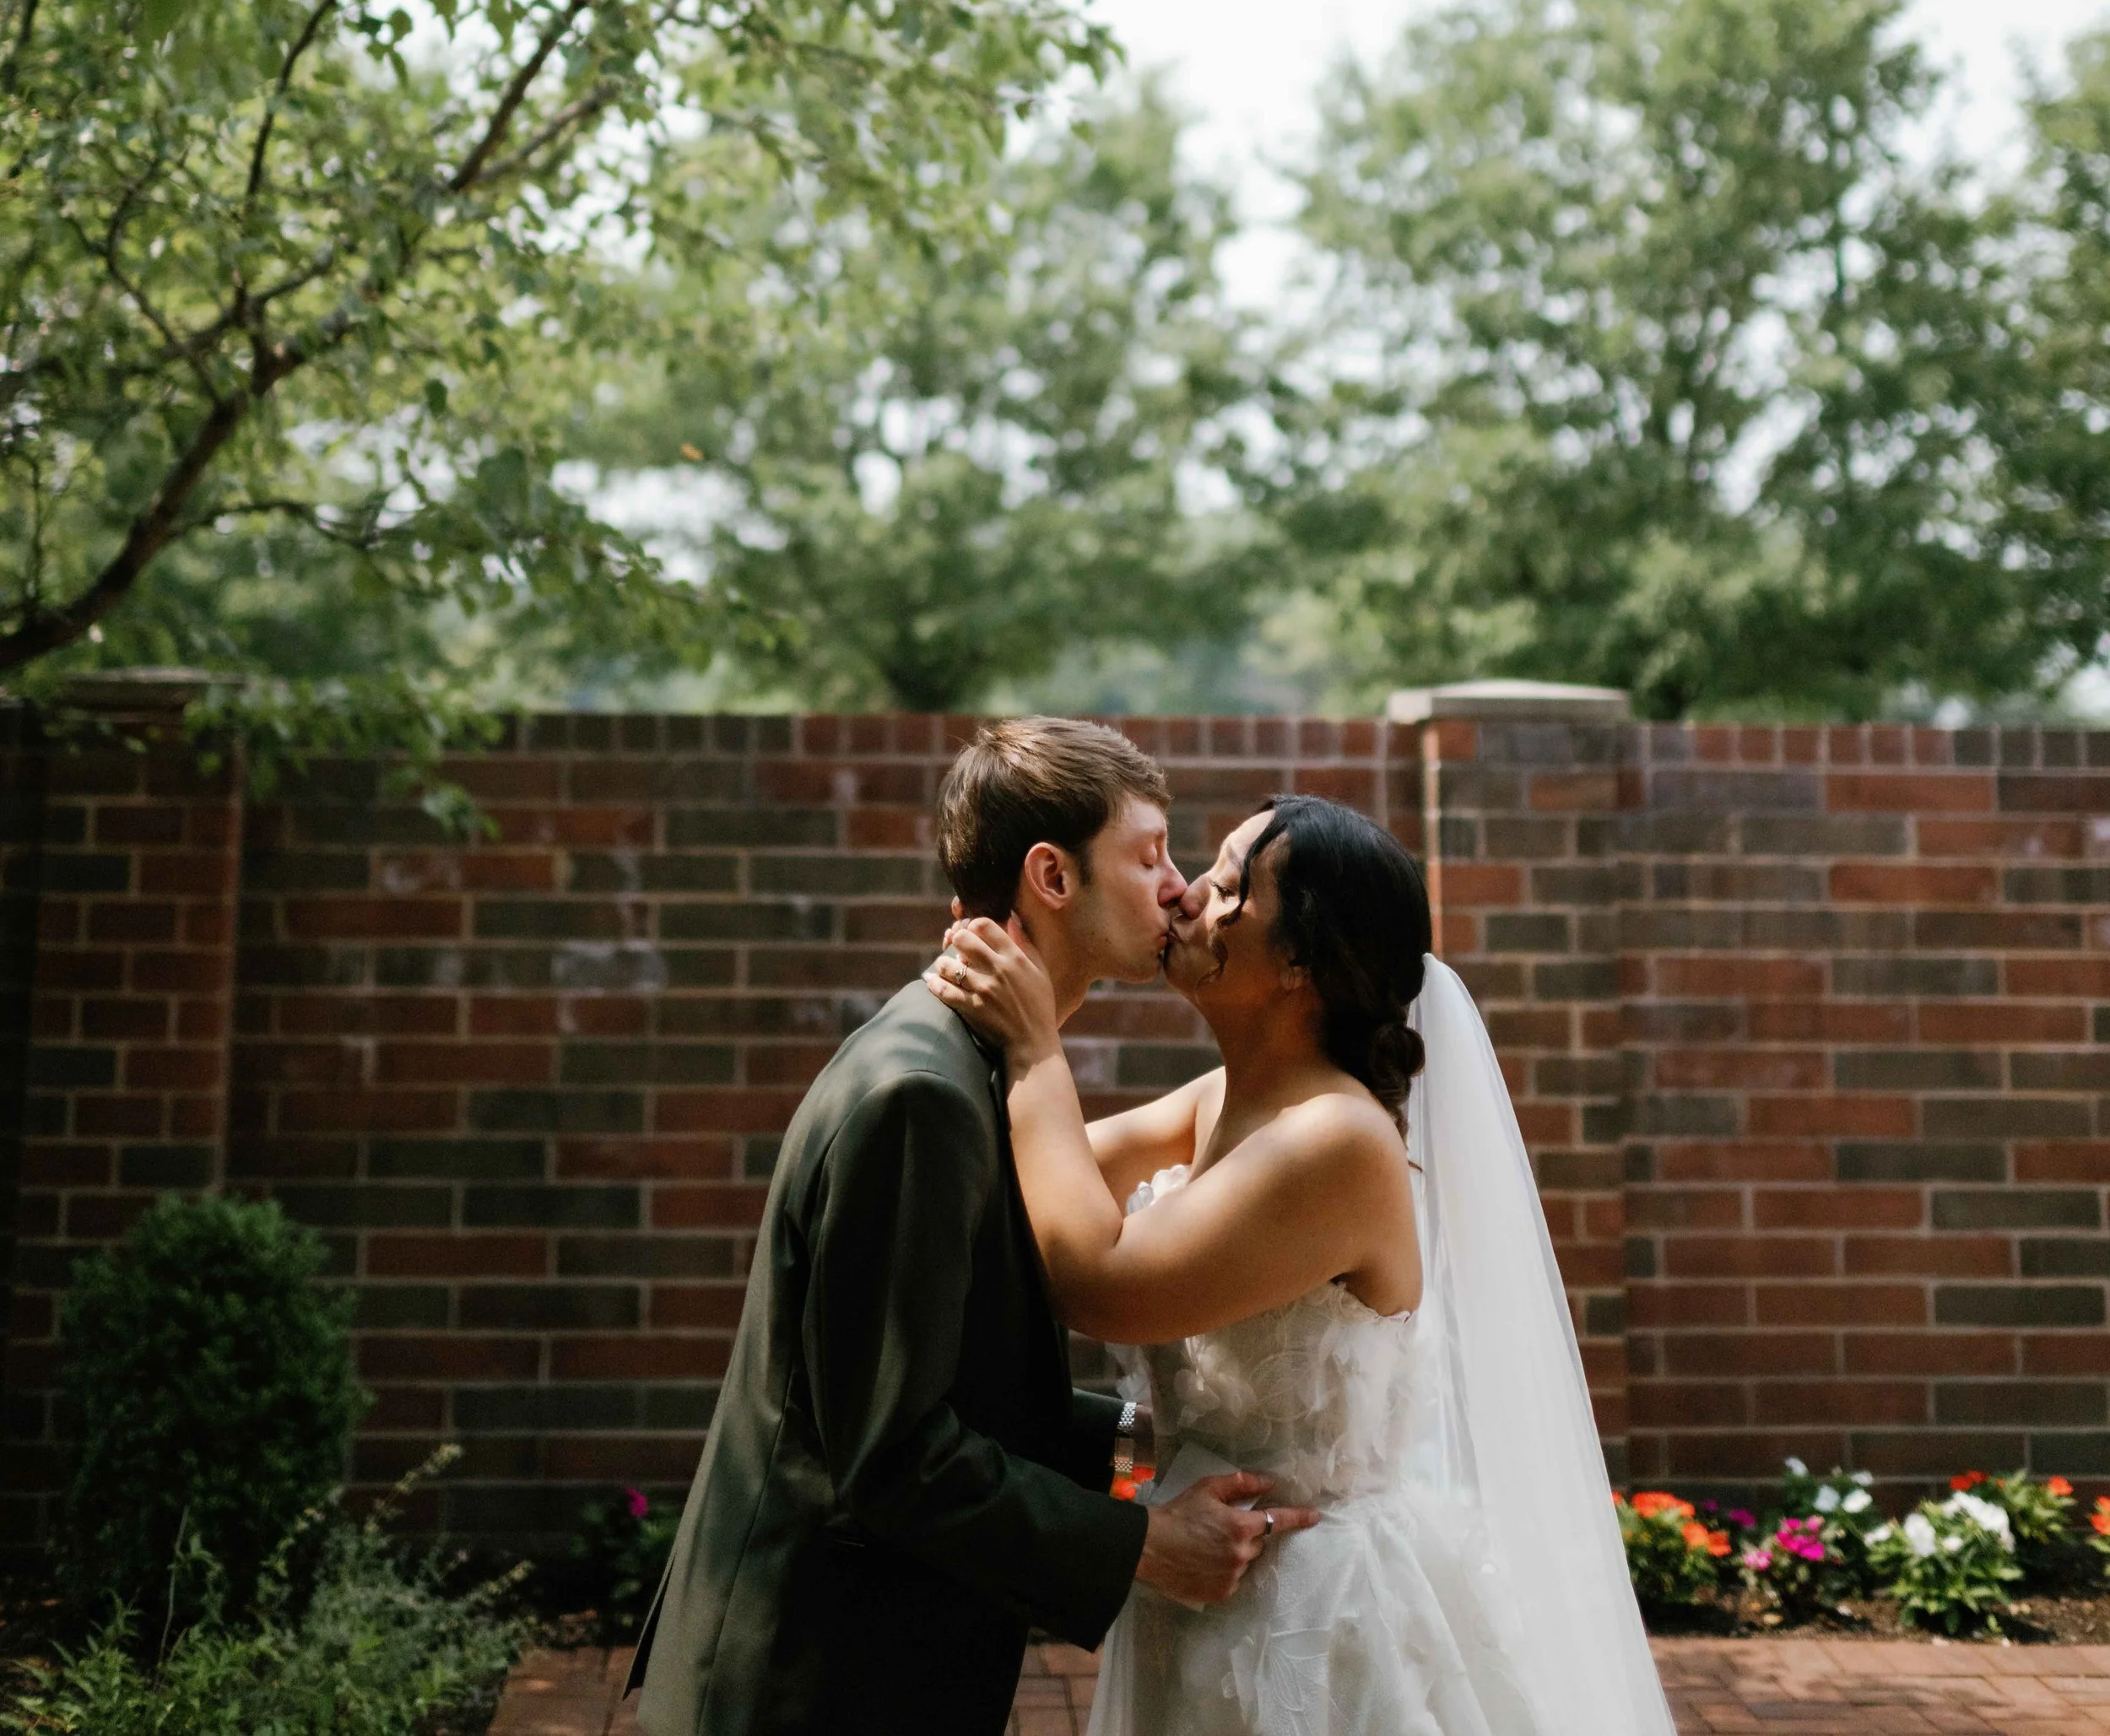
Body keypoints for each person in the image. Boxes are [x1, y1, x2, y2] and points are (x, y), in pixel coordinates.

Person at [928, 792, 1678, 1736]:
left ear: (1297, 963)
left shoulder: (1336, 1140)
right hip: (1203, 1573)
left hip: (1311, 1618)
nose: (1184, 895)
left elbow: (1097, 1281)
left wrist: (1037, 1043)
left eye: (1229, 884)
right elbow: (1032, 1178)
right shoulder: (1223, 1099)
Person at [629, 720, 1315, 1736]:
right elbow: (891, 1453)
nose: (1176, 886)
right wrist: (1141, 1546)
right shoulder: (924, 1093)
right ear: (1052, 876)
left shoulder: (969, 1061)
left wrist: (1145, 1436)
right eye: (1148, 853)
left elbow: (955, 1374)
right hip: (816, 1677)